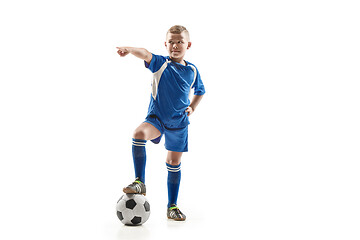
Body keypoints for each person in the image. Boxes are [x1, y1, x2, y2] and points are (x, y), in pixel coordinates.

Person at [116, 25, 205, 221]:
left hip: (179, 125)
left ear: (188, 45)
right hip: (157, 119)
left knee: (173, 163)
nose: (175, 45)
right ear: (166, 44)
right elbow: (145, 53)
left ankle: (172, 206)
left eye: (179, 42)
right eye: (171, 42)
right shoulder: (161, 64)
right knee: (139, 133)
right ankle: (140, 181)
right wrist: (130, 50)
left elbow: (200, 91)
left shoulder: (192, 70)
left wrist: (192, 107)